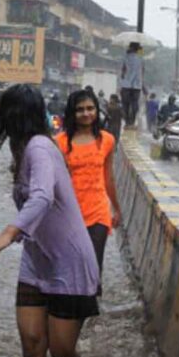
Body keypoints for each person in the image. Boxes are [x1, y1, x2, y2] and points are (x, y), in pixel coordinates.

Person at [0, 84, 99, 357]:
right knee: (31, 346)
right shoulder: (22, 150)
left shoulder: (40, 147)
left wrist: (4, 237)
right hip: (36, 260)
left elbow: (41, 197)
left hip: (69, 261)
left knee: (62, 352)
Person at [55, 89, 121, 296]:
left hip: (98, 212)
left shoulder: (107, 140)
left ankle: (91, 309)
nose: (86, 113)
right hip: (69, 214)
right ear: (72, 113)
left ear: (97, 110)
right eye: (80, 110)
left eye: (90, 108)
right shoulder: (60, 142)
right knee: (70, 265)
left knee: (94, 264)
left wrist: (117, 209)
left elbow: (108, 177)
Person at [120, 42, 143, 127]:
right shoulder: (140, 57)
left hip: (126, 84)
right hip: (137, 85)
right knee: (135, 103)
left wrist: (123, 76)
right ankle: (132, 121)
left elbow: (123, 70)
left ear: (131, 47)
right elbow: (142, 69)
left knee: (125, 104)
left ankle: (127, 121)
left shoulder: (125, 57)